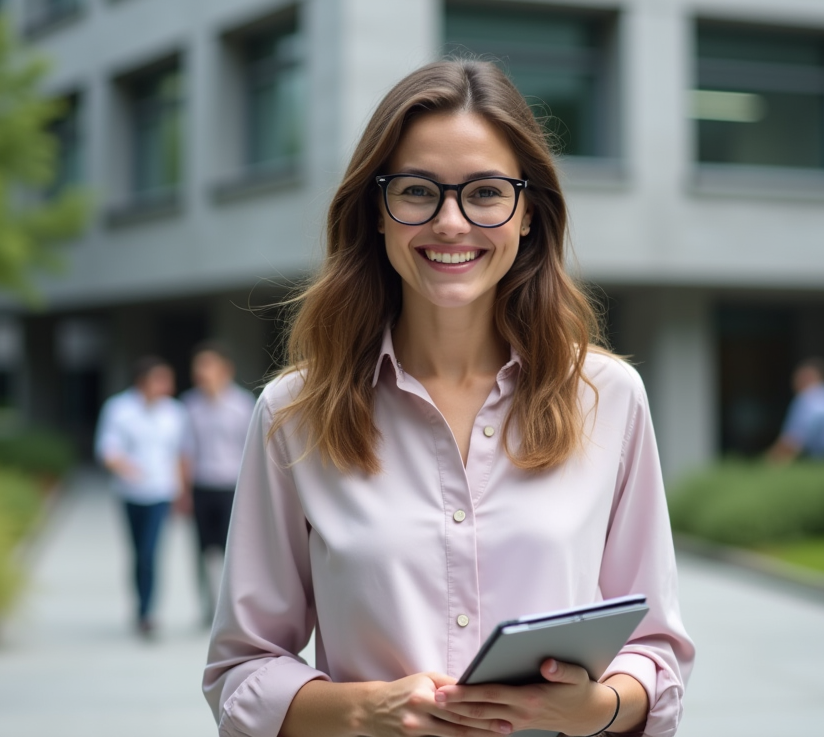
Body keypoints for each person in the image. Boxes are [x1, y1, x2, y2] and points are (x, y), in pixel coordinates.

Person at [204, 60, 694, 737]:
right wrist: (361, 711)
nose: (451, 222)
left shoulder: (608, 398)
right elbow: (241, 671)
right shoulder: (293, 414)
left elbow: (657, 648)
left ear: (528, 214)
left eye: (486, 193)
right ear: (378, 211)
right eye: (417, 191)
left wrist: (598, 707)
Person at [95, 355, 187, 639]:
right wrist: (126, 467)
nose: (165, 386)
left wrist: (182, 490)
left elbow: (180, 453)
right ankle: (140, 606)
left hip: (161, 492)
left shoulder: (174, 412)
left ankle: (148, 613)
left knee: (150, 552)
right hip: (130, 492)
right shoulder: (119, 409)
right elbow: (106, 449)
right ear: (141, 382)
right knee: (138, 554)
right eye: (159, 379)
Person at [180, 341, 256, 624]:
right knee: (202, 550)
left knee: (233, 553)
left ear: (225, 369)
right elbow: (185, 452)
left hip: (231, 488)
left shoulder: (242, 404)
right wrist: (183, 491)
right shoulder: (189, 405)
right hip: (201, 486)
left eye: (207, 364)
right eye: (198, 365)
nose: (201, 371)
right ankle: (207, 607)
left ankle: (233, 610)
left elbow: (252, 451)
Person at [767, 357, 824, 464]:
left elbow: (792, 439)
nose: (794, 383)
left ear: (808, 378)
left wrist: (769, 464)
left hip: (817, 459)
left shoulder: (806, 398)